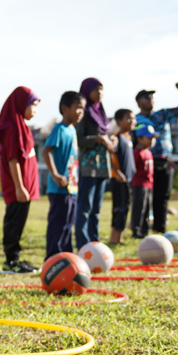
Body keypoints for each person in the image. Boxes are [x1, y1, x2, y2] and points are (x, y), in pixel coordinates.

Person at [0, 86, 40, 274]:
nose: (35, 110)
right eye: (33, 105)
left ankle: (16, 259)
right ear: (22, 104)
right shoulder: (13, 127)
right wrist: (20, 187)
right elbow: (13, 159)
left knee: (20, 221)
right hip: (18, 188)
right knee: (14, 222)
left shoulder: (21, 125)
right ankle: (10, 261)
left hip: (25, 188)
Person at [136, 82, 178, 233]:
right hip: (146, 163)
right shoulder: (135, 119)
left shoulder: (162, 114)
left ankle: (160, 229)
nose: (151, 99)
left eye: (152, 97)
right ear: (139, 101)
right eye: (147, 97)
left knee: (162, 198)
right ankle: (142, 229)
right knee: (145, 198)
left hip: (165, 161)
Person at [74, 78, 115, 250]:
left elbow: (105, 134)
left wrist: (110, 140)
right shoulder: (83, 112)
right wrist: (97, 139)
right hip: (87, 167)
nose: (100, 93)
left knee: (96, 209)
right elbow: (78, 139)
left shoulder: (102, 114)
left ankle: (94, 242)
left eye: (102, 89)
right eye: (96, 89)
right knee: (85, 208)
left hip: (102, 167)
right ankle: (83, 244)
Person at [42, 91, 84, 259]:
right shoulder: (60, 129)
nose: (81, 111)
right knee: (58, 224)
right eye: (78, 107)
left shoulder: (72, 130)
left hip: (72, 187)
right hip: (59, 188)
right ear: (65, 108)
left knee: (68, 224)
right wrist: (55, 174)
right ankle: (53, 258)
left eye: (83, 108)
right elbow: (46, 151)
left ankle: (67, 256)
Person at [108, 109, 136, 245]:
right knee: (119, 209)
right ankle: (114, 238)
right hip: (119, 180)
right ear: (119, 121)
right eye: (129, 118)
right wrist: (117, 172)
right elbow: (110, 156)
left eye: (134, 118)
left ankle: (120, 238)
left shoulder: (128, 137)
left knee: (125, 208)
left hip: (128, 180)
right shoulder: (117, 138)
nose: (133, 121)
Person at [131, 125, 156, 238]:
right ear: (139, 139)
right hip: (139, 184)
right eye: (149, 138)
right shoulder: (137, 152)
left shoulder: (149, 152)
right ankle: (136, 230)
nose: (152, 140)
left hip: (149, 184)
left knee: (147, 208)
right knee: (139, 208)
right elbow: (133, 169)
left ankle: (145, 229)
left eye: (153, 138)